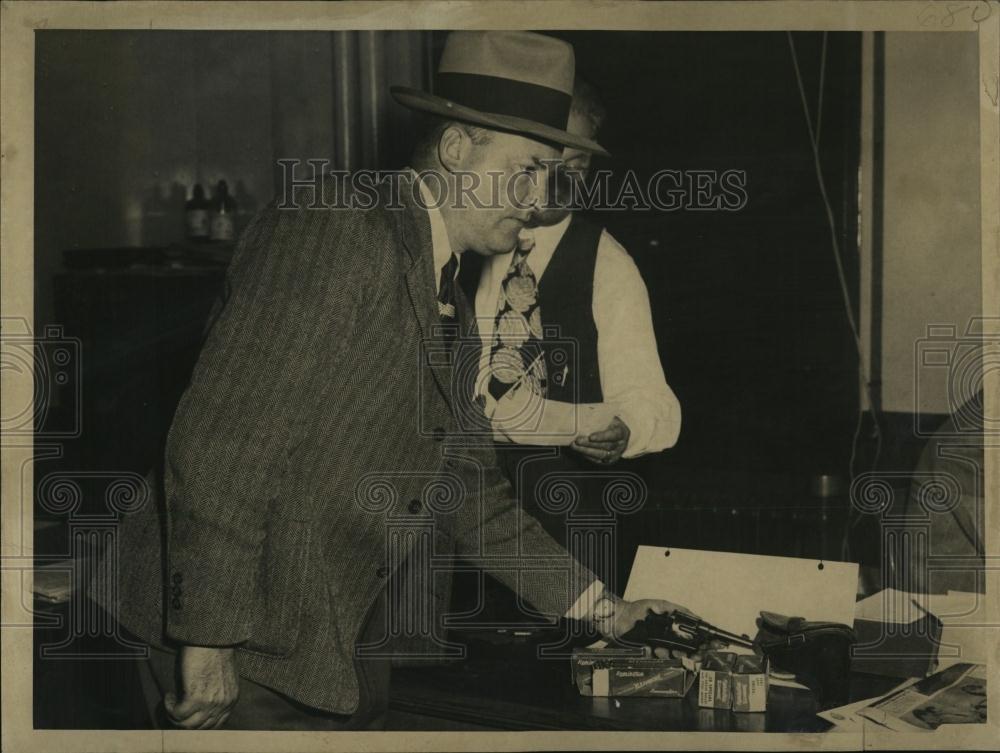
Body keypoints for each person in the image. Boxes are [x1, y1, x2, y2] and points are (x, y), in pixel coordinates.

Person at [89, 31, 694, 731]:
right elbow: (222, 444)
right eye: (527, 170)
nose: (537, 201)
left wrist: (605, 609)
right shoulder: (336, 228)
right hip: (227, 634)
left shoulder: (451, 296)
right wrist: (209, 640)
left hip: (315, 637)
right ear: (457, 148)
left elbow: (466, 489)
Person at [467, 76, 681, 583]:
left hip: (570, 539)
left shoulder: (608, 264)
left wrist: (625, 430)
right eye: (542, 161)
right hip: (467, 528)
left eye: (575, 166)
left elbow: (654, 401)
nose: (553, 181)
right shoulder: (469, 245)